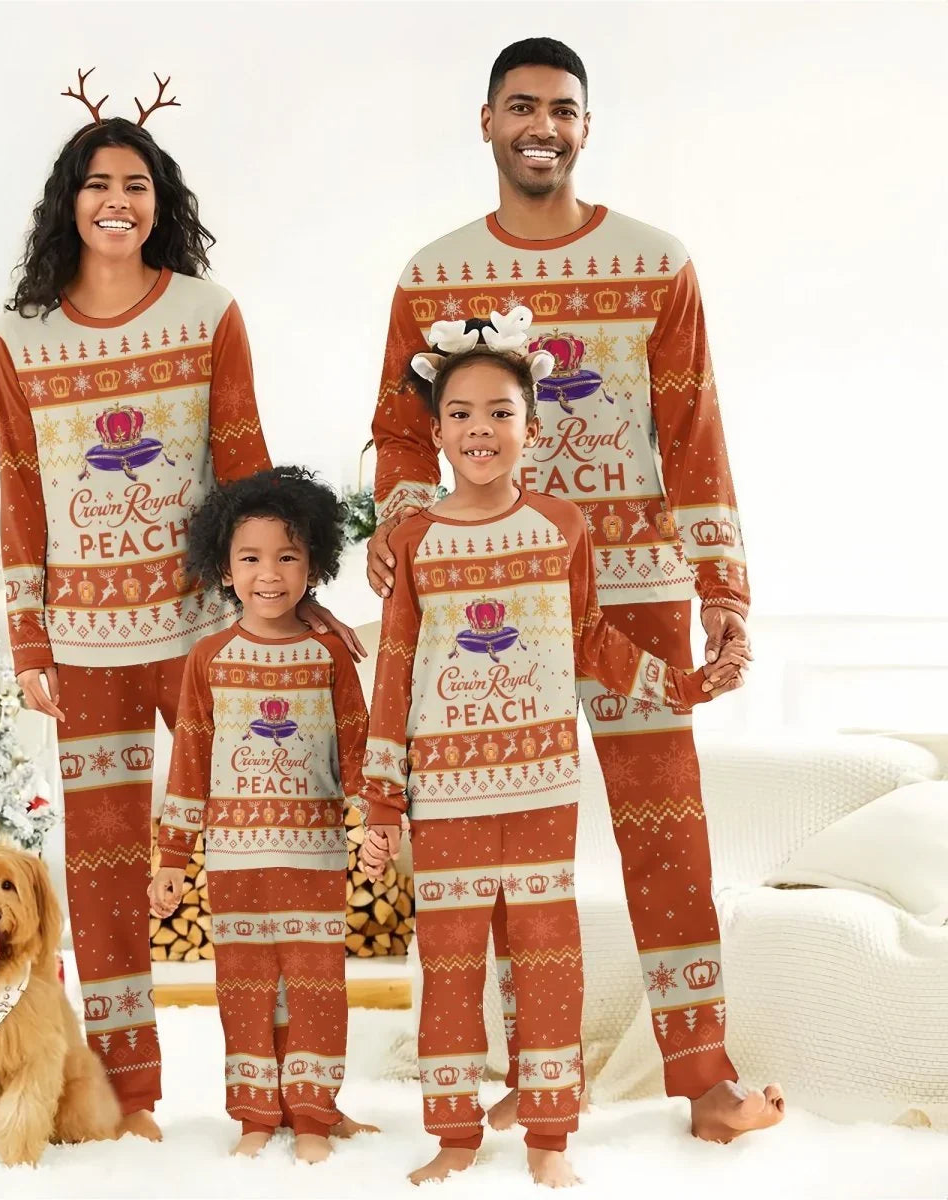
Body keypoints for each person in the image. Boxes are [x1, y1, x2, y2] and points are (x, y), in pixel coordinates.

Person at [366, 36, 785, 1143]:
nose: (541, 125)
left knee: (667, 834)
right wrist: (400, 535)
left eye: (561, 109)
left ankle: (704, 1076)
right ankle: (530, 1074)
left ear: (585, 127)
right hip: (483, 614)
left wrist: (723, 584)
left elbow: (691, 427)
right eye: (521, 107)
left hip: (638, 589)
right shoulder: (432, 273)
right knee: (507, 844)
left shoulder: (657, 261)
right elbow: (402, 436)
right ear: (489, 121)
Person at [0, 92, 362, 1139]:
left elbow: (244, 472)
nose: (116, 201)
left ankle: (294, 1089)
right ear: (70, 203)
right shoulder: (21, 338)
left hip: (211, 635)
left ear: (160, 206)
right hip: (85, 646)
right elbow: (21, 495)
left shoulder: (206, 313)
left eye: (136, 186)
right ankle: (126, 1095)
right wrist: (28, 638)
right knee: (104, 872)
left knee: (268, 845)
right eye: (98, 184)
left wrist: (294, 611)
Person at [360, 342, 745, 1186]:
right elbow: (395, 671)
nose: (480, 430)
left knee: (547, 960)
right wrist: (382, 802)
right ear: (435, 433)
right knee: (450, 964)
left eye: (500, 413)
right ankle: (455, 1137)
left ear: (531, 429)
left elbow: (589, 642)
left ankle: (548, 1138)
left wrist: (680, 685)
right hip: (447, 792)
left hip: (542, 787)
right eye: (459, 415)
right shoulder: (415, 542)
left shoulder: (561, 526)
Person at [150, 467, 372, 1164]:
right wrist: (174, 859)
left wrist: (374, 824)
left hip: (314, 856)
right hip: (236, 859)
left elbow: (359, 747)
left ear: (315, 564)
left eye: (288, 556)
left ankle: (312, 1112)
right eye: (251, 557)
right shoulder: (208, 659)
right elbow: (188, 763)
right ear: (224, 566)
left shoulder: (331, 653)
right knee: (243, 985)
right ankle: (254, 1111)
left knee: (316, 983)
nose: (269, 574)